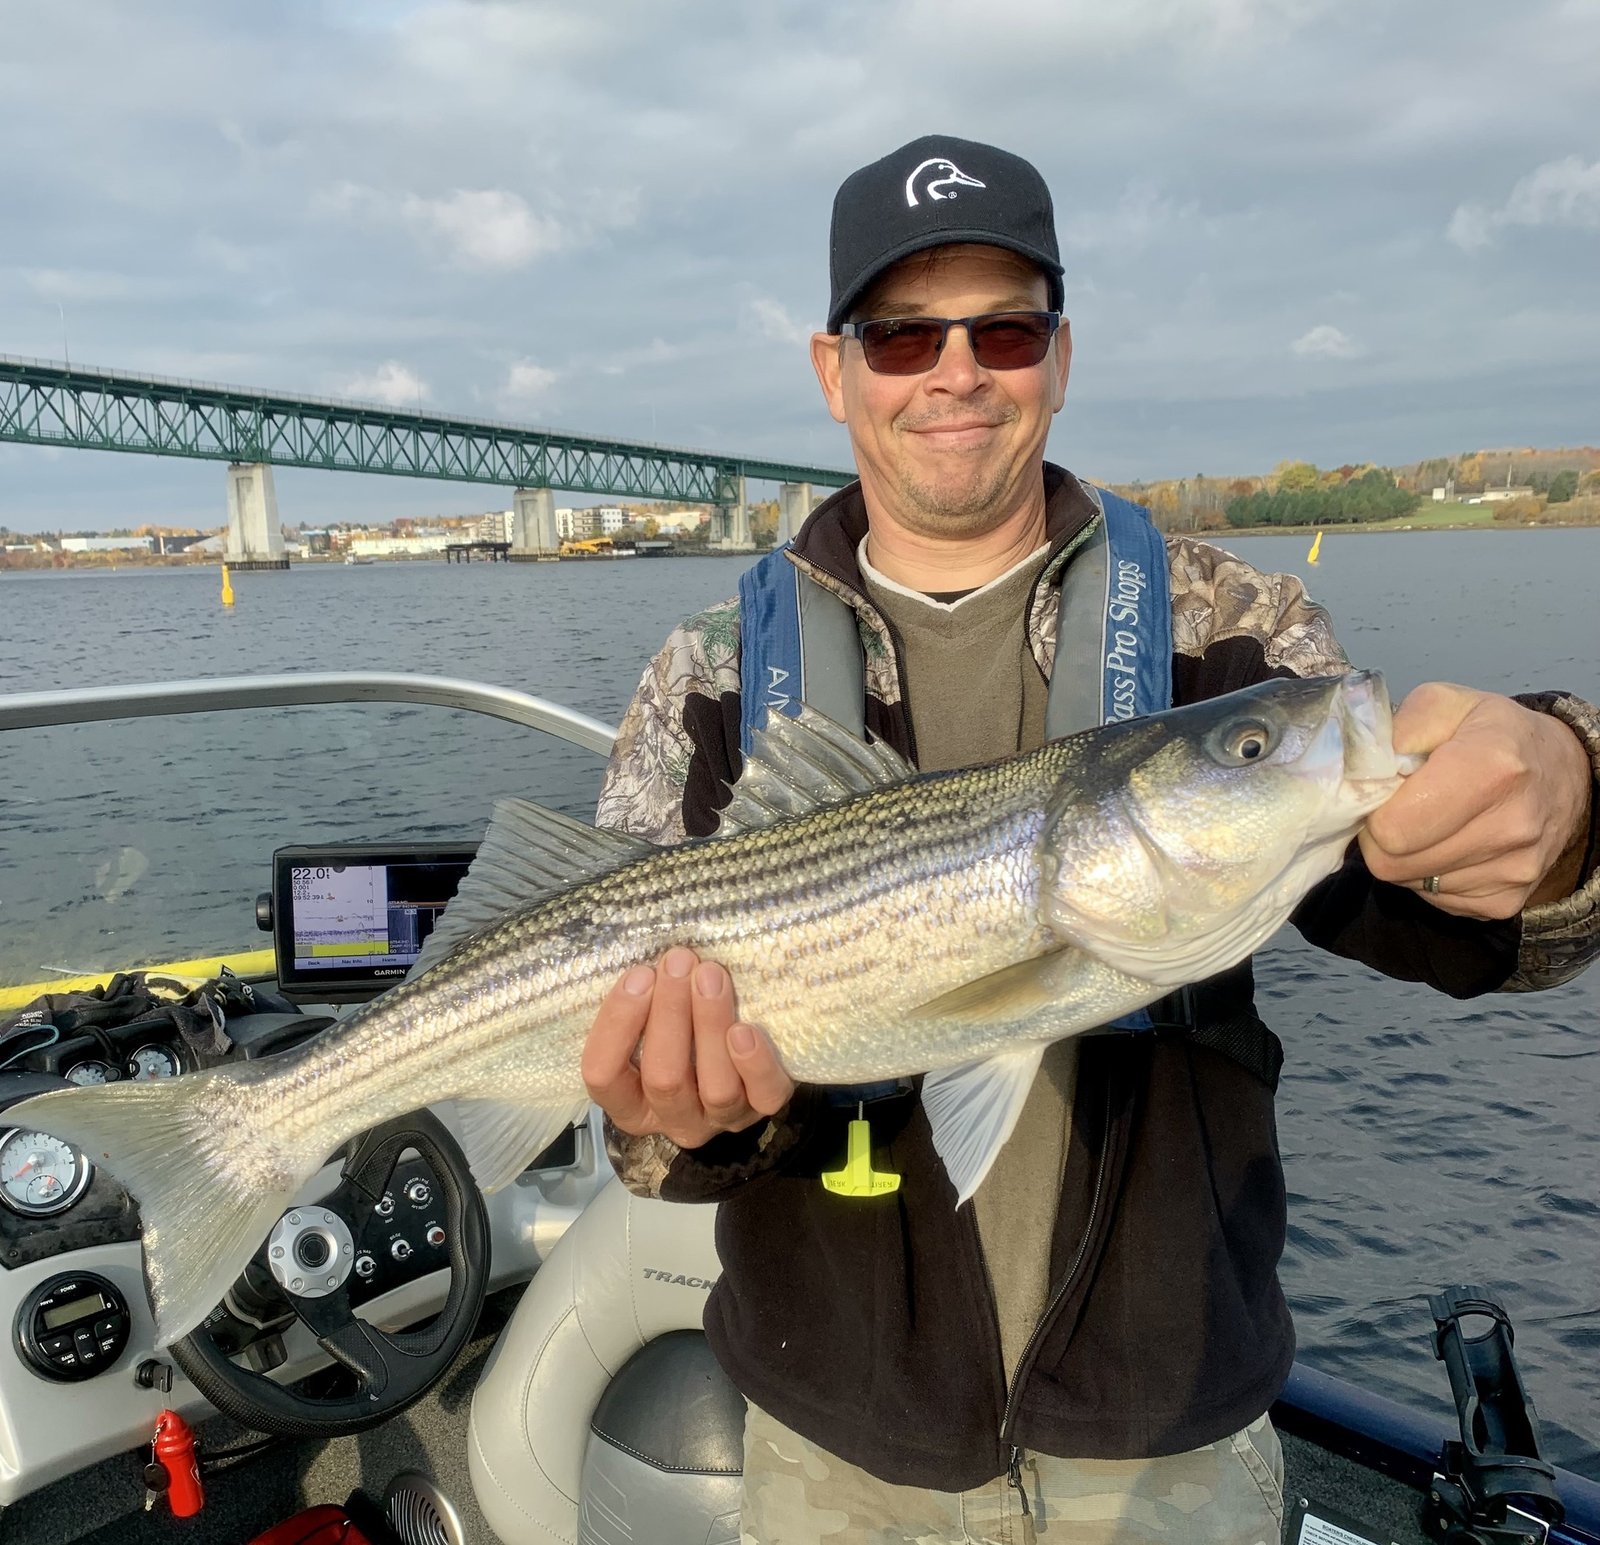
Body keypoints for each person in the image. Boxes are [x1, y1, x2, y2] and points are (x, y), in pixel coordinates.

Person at [580, 135, 1600, 1542]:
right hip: (838, 1455)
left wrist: (1567, 782)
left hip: (1166, 1438)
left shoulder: (1221, 634)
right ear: (833, 369)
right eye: (900, 335)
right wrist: (683, 1114)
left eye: (1003, 327)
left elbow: (1475, 918)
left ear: (1059, 356)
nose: (956, 371)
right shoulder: (706, 680)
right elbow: (644, 1148)